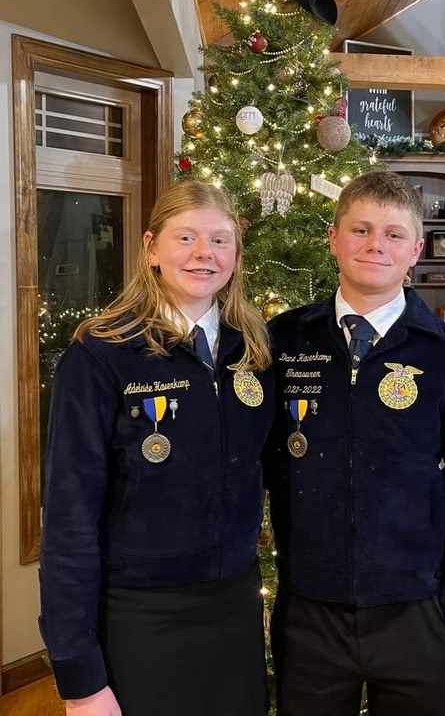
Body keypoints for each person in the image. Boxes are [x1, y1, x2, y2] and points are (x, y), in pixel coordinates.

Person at [264, 171, 445, 716]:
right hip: (310, 610)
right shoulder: (282, 341)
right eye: (361, 229)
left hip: (419, 610)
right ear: (334, 238)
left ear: (415, 250)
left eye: (394, 234)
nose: (376, 245)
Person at [39, 181, 274, 716]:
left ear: (236, 253)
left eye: (219, 240)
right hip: (141, 615)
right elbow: (69, 519)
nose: (203, 253)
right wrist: (79, 677)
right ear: (151, 248)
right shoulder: (101, 355)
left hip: (235, 606)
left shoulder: (254, 349)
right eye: (185, 237)